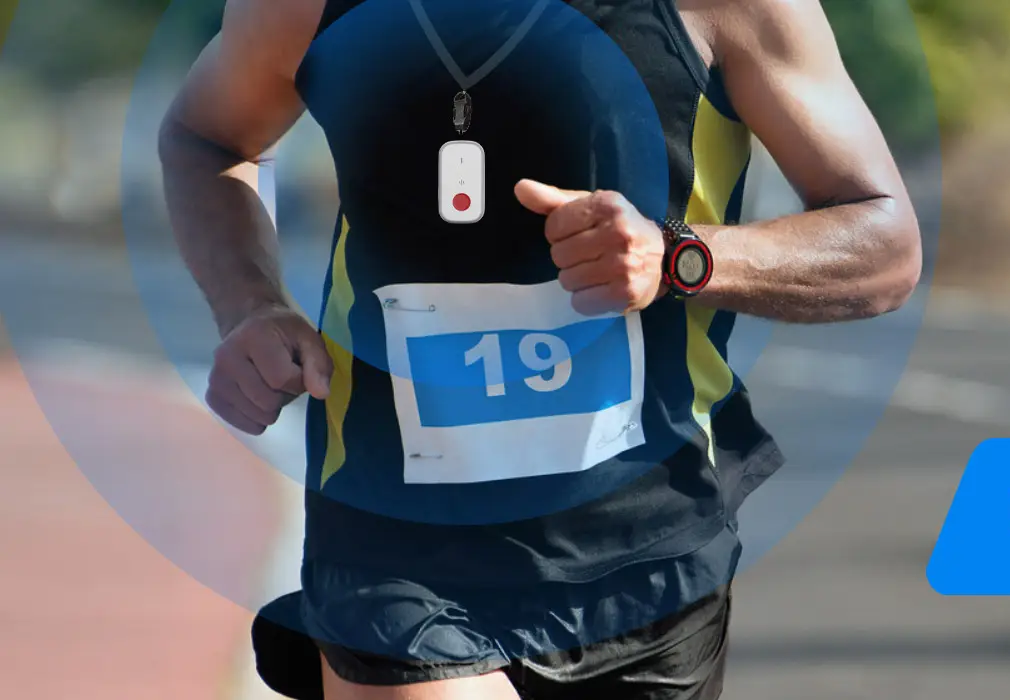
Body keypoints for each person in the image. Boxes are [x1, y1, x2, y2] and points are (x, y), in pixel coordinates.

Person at [158, 0, 921, 698]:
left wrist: (678, 257)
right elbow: (206, 135)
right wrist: (250, 305)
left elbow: (884, 241)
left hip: (647, 548)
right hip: (393, 529)